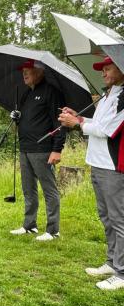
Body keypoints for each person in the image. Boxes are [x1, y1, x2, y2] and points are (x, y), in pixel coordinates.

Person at [59, 56, 124, 290]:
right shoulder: (109, 94)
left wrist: (76, 124)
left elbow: (107, 130)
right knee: (106, 216)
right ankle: (112, 262)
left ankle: (122, 273)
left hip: (113, 166)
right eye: (102, 69)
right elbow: (97, 123)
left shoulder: (123, 97)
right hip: (97, 162)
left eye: (108, 68)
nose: (103, 72)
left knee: (119, 219)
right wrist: (79, 118)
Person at [10, 59, 66, 241]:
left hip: (43, 149)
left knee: (49, 189)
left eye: (28, 70)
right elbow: (27, 121)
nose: (24, 74)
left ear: (40, 72)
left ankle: (52, 230)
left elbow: (59, 123)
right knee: (28, 188)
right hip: (25, 147)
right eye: (23, 71)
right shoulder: (26, 94)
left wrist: (57, 149)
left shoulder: (51, 92)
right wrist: (16, 117)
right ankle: (29, 225)